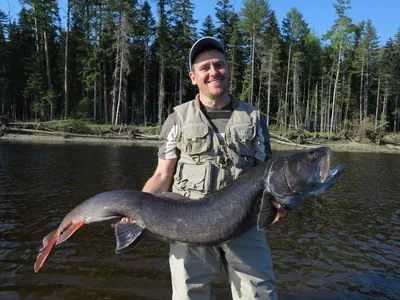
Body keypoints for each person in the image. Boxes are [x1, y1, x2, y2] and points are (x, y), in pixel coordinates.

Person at [141, 37, 286, 300]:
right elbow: (162, 175)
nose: (212, 72)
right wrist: (138, 207)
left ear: (229, 70)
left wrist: (277, 204)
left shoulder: (255, 119)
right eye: (204, 67)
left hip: (245, 224)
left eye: (218, 65)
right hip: (187, 223)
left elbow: (267, 177)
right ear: (193, 77)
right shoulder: (177, 119)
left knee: (259, 295)